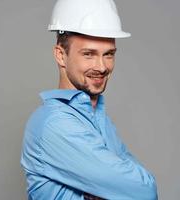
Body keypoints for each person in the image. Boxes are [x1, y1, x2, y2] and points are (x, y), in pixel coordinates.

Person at [20, 0, 158, 199]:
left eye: (108, 54)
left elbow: (138, 184)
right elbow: (144, 191)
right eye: (89, 54)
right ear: (60, 55)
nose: (102, 66)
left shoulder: (97, 114)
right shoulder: (54, 124)